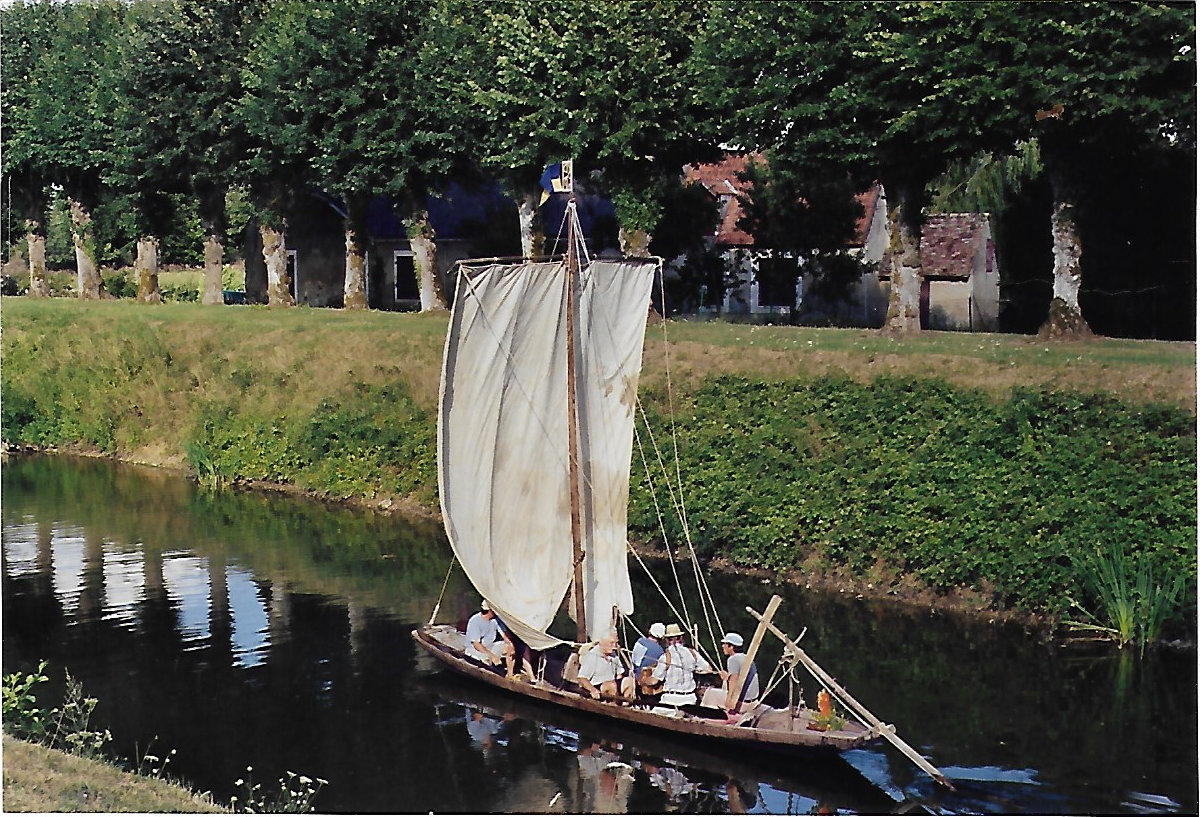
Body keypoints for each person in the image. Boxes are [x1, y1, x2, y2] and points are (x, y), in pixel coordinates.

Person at [651, 623, 712, 706]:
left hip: (670, 700)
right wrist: (695, 670)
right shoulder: (692, 653)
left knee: (653, 715)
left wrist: (644, 680)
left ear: (666, 640)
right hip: (690, 699)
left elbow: (654, 681)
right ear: (681, 638)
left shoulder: (666, 657)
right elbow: (708, 669)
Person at [700, 631, 760, 713]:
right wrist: (727, 677)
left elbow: (734, 680)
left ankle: (709, 717)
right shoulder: (747, 658)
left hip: (743, 702)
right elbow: (741, 677)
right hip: (753, 700)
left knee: (710, 693)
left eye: (725, 644)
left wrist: (729, 702)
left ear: (731, 646)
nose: (722, 646)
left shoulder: (733, 659)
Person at [576, 630, 635, 701]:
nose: (614, 646)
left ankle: (625, 704)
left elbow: (619, 674)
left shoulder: (613, 655)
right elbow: (582, 678)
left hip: (613, 685)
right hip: (597, 687)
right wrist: (593, 690)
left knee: (630, 681)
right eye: (611, 643)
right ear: (603, 642)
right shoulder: (592, 656)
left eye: (616, 643)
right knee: (611, 685)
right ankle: (612, 705)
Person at [464, 599, 514, 673]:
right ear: (490, 611)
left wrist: (510, 644)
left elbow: (504, 636)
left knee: (508, 646)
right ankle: (493, 667)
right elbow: (476, 645)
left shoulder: (495, 620)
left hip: (490, 647)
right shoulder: (475, 621)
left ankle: (510, 673)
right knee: (486, 661)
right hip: (475, 650)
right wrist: (492, 656)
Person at [631, 622, 666, 696]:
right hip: (650, 681)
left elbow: (635, 661)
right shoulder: (661, 651)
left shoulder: (640, 642)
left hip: (636, 677)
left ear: (650, 632)